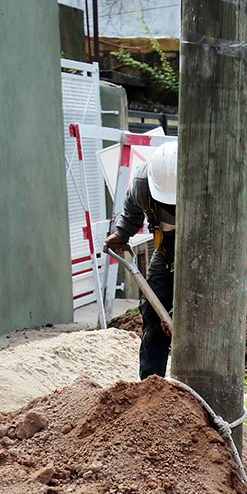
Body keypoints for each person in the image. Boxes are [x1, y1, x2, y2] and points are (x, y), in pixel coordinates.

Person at [104, 140, 178, 379]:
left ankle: (199, 386)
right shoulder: (143, 182)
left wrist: (179, 312)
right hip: (166, 250)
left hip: (206, 256)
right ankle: (151, 384)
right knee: (152, 316)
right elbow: (132, 206)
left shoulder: (207, 187)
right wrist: (123, 232)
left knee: (197, 321)